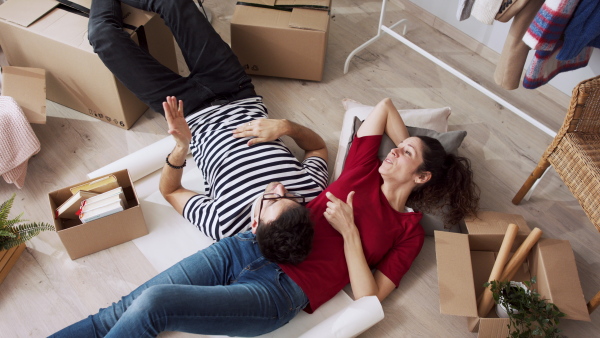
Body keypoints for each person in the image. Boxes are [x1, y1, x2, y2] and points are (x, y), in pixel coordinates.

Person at [51, 93, 479, 336]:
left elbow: (371, 298)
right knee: (118, 310)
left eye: (404, 155)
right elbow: (383, 106)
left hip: (282, 292)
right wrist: (412, 154)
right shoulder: (365, 167)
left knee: (154, 304)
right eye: (397, 147)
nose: (393, 152)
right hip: (243, 247)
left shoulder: (407, 229)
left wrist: (350, 233)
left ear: (422, 178)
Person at [87, 0, 328, 242]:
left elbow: (170, 191)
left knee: (103, 36)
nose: (279, 188)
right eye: (291, 197)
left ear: (255, 224)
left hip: (187, 111)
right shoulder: (310, 191)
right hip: (237, 90)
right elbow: (317, 147)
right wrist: (287, 126)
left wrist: (181, 147)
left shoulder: (222, 224)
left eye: (274, 199)